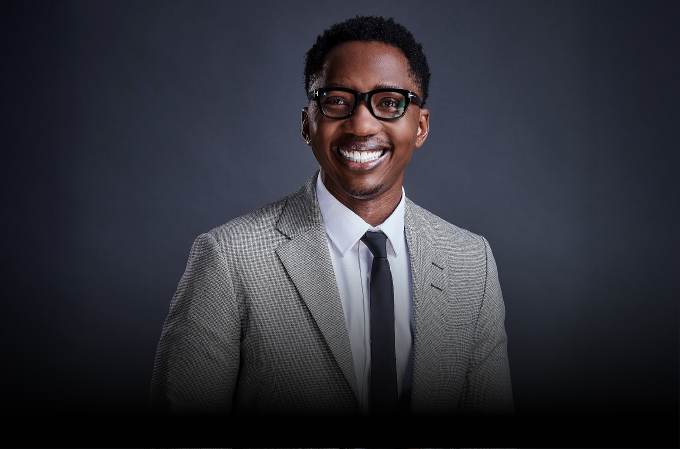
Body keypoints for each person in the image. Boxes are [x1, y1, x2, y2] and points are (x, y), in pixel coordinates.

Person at [149, 15, 513, 416]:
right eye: (337, 100)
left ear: (421, 127)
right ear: (308, 123)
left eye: (389, 103)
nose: (362, 125)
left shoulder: (472, 262)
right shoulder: (228, 258)